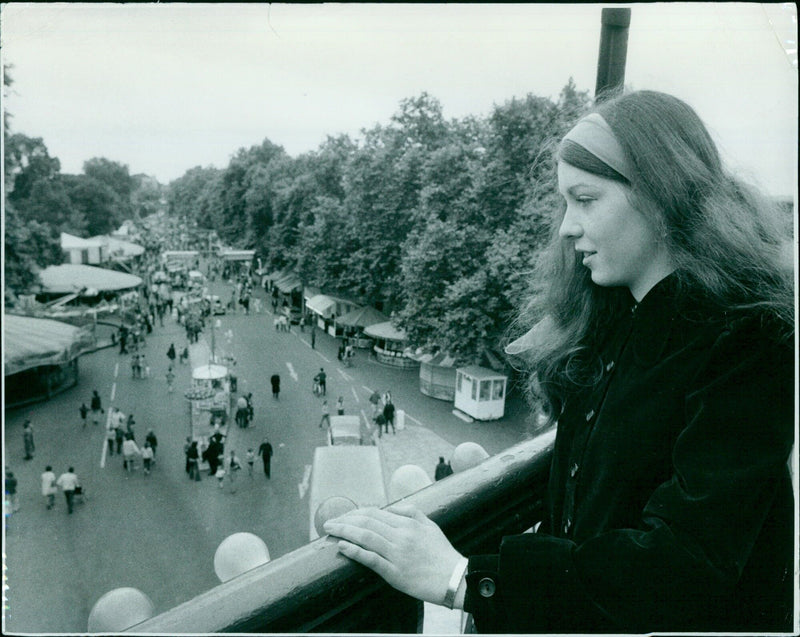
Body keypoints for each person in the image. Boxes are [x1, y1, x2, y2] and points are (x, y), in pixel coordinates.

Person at [324, 91, 795, 633]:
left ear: (661, 199)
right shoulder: (615, 321)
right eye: (564, 203)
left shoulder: (749, 340)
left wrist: (462, 578)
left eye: (585, 199)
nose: (567, 226)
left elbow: (686, 562)